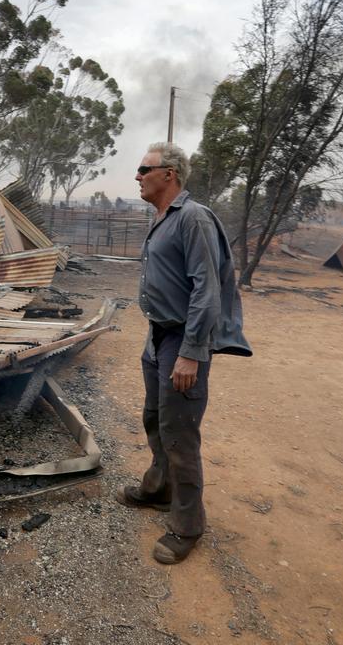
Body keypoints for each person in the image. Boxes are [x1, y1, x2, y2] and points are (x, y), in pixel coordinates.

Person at [118, 141, 251, 564]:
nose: (137, 176)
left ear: (169, 174)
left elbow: (207, 292)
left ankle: (187, 526)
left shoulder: (193, 218)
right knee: (156, 420)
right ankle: (159, 490)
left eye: (144, 169)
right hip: (158, 336)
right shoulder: (162, 218)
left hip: (182, 341)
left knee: (180, 434)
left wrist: (192, 354)